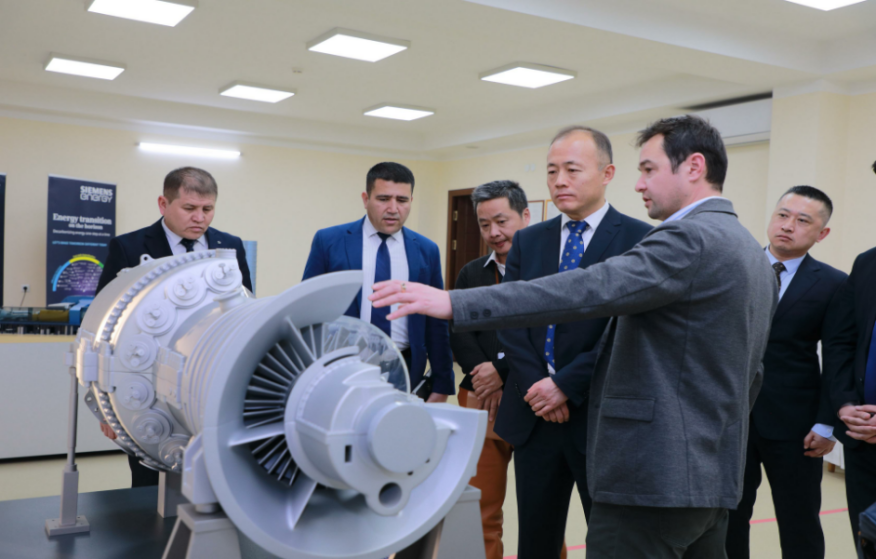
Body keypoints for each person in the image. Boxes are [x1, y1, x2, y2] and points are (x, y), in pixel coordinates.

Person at [370, 115, 777, 559]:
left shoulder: (687, 239)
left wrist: (455, 302)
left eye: (648, 169)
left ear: (694, 167)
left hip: (653, 479)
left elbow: (588, 288)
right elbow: (751, 375)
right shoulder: (748, 248)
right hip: (709, 475)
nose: (639, 184)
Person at [496, 127, 650, 559]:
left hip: (598, 416)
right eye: (551, 171)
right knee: (536, 540)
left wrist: (565, 384)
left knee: (610, 541)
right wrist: (539, 386)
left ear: (607, 173)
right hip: (534, 412)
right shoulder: (529, 239)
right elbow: (510, 318)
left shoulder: (640, 239)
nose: (559, 180)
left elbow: (628, 330)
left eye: (572, 170)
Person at [96, 166, 252, 488]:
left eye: (207, 209)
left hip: (208, 378)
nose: (200, 218)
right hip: (144, 377)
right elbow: (103, 326)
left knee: (212, 472)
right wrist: (105, 406)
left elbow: (244, 313)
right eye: (189, 208)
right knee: (149, 474)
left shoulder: (230, 246)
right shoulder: (128, 247)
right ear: (163, 204)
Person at [726, 186, 845, 559]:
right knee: (727, 519)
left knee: (799, 522)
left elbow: (838, 357)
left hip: (796, 425)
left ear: (822, 233)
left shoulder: (834, 284)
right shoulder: (734, 267)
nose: (788, 226)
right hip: (730, 417)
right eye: (782, 215)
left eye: (802, 220)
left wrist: (827, 423)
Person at [302, 161, 453, 402]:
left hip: (406, 365)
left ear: (411, 201)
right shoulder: (329, 241)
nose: (393, 208)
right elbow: (308, 310)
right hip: (343, 364)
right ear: (366, 199)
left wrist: (443, 383)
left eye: (402, 200)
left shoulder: (426, 250)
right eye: (383, 199)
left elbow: (436, 322)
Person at [449, 180, 528, 559]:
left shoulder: (549, 271)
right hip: (479, 398)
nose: (493, 232)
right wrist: (484, 372)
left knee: (540, 512)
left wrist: (502, 371)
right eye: (484, 224)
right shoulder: (471, 273)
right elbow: (459, 331)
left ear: (525, 216)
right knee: (481, 508)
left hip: (535, 400)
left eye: (501, 221)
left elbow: (549, 334)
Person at [823, 160, 876, 548]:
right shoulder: (868, 263)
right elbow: (841, 341)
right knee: (868, 542)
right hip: (863, 440)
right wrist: (844, 404)